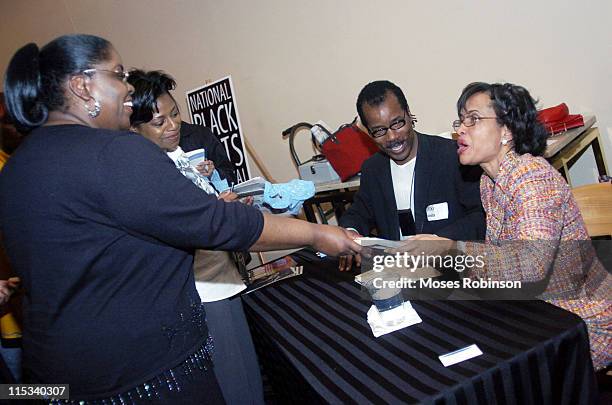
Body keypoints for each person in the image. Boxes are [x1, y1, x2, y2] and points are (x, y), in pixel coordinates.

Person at [0, 34, 361, 403]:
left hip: (56, 376)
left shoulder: (16, 170)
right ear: (83, 86)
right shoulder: (115, 153)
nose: (128, 88)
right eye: (119, 74)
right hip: (141, 376)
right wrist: (317, 234)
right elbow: (220, 223)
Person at [398, 82, 611, 370]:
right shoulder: (489, 182)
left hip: (581, 321)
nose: (461, 129)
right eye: (461, 120)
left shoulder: (531, 177)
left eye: (473, 119)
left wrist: (449, 250)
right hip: (539, 313)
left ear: (507, 131)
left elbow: (530, 264)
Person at [127, 69, 262, 404]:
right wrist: (219, 212)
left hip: (223, 279)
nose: (173, 127)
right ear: (135, 128)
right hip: (201, 293)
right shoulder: (146, 172)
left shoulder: (179, 156)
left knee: (249, 378)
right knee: (234, 387)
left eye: (174, 115)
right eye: (159, 122)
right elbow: (184, 227)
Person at [338, 80, 485, 271]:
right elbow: (358, 213)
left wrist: (441, 241)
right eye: (379, 131)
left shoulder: (452, 157)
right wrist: (351, 234)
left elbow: (480, 216)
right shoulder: (373, 169)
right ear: (368, 132)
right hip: (398, 276)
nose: (392, 137)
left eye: (397, 123)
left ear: (408, 113)